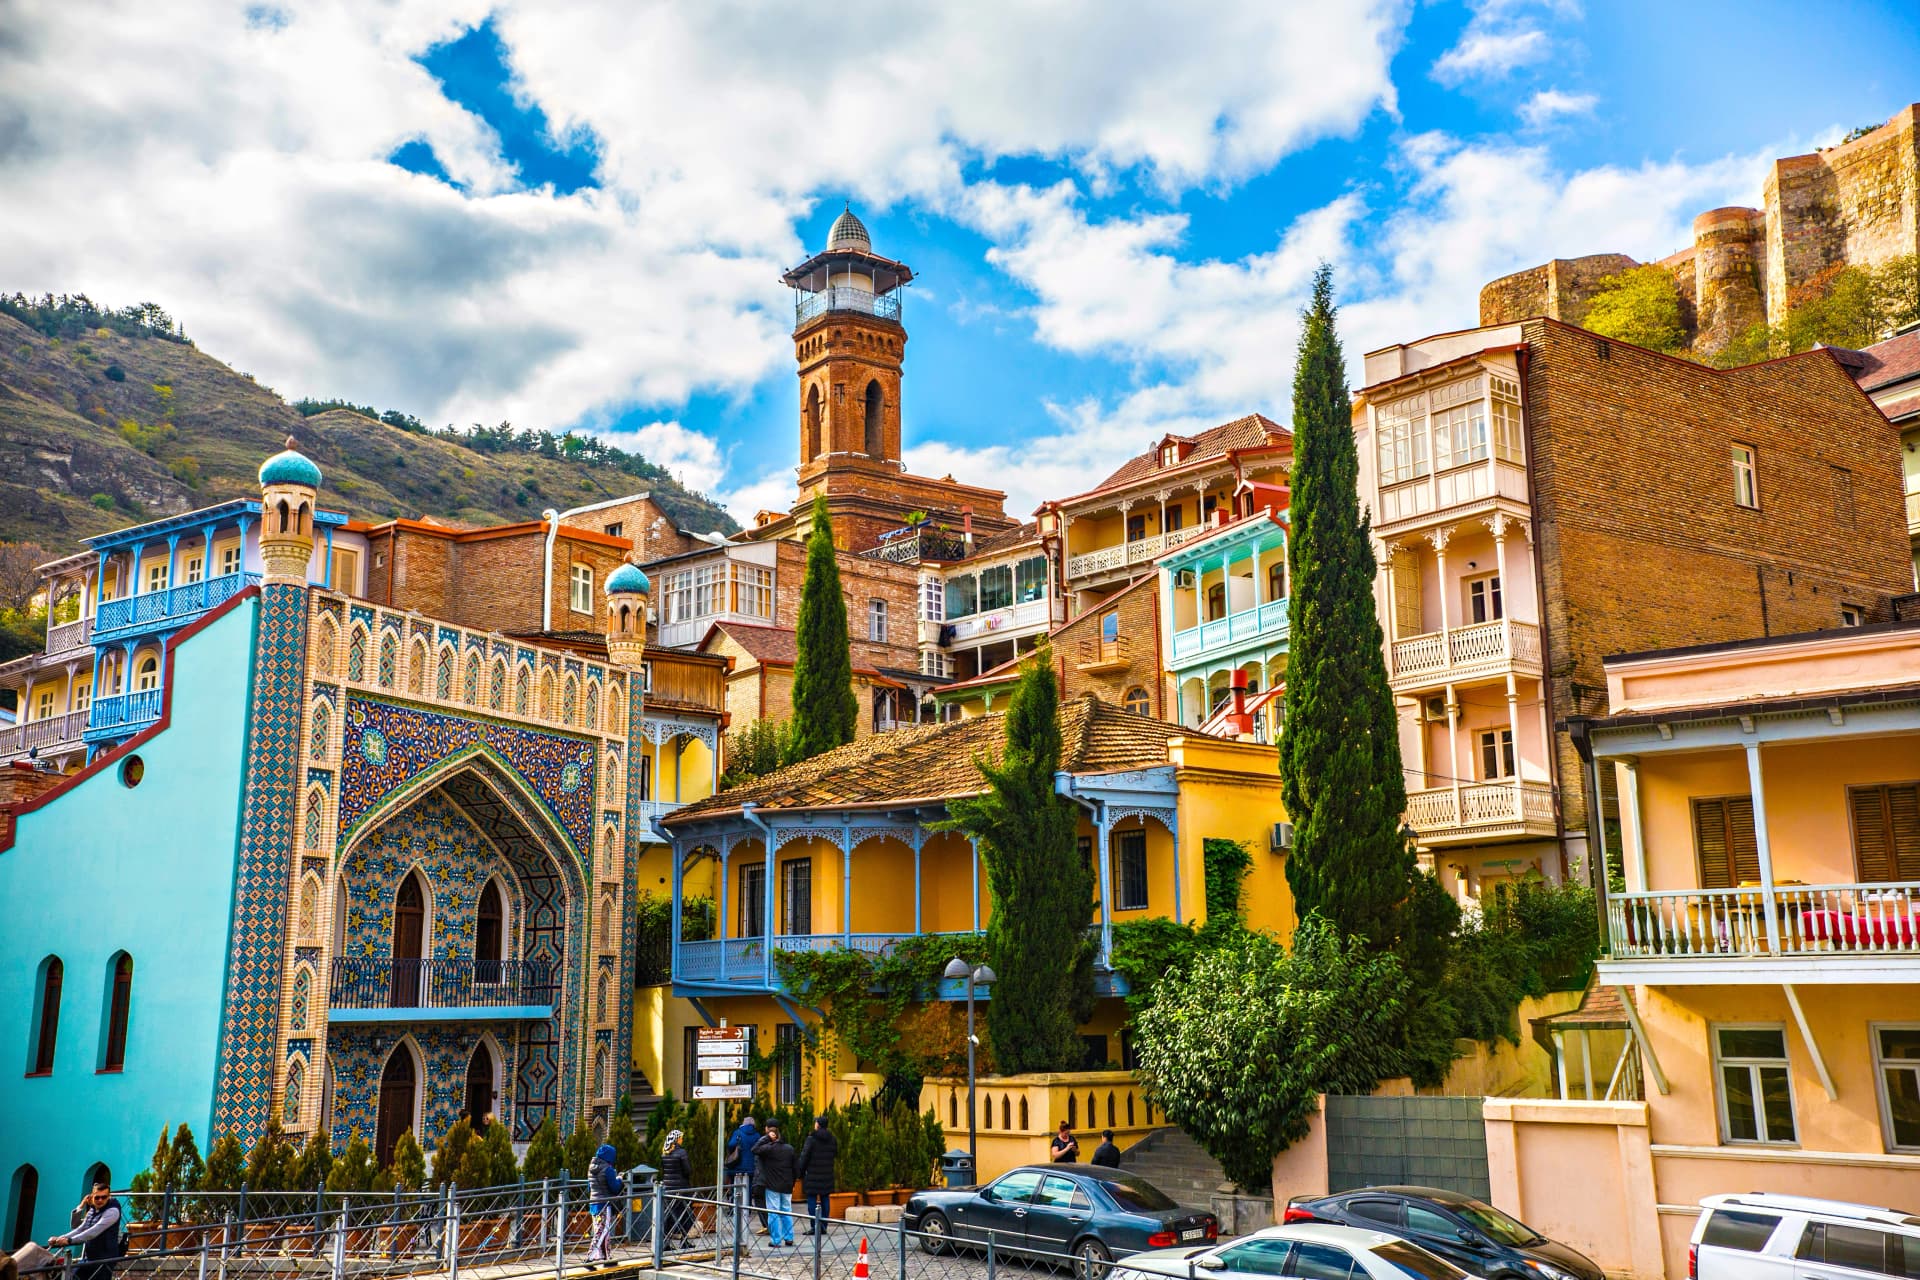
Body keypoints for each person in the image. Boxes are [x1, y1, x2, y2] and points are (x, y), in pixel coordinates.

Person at [49, 1178, 124, 1280]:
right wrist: (60, 1238)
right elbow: (81, 1228)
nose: (100, 1200)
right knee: (72, 1277)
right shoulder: (93, 1209)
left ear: (109, 1197)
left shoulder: (112, 1211)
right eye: (97, 1197)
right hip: (89, 1257)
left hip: (105, 1258)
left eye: (104, 1197)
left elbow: (93, 1231)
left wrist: (69, 1241)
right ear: (92, 1197)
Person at [751, 1124, 797, 1249]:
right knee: (786, 1210)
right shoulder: (789, 1149)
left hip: (772, 1185)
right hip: (787, 1184)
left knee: (773, 1212)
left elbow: (754, 1149)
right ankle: (789, 1238)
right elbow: (795, 1168)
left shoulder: (768, 1149)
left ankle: (776, 1240)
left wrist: (765, 1138)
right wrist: (793, 1183)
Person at [794, 1115, 837, 1234]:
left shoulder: (811, 1139)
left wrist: (800, 1172)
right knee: (825, 1199)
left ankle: (814, 1226)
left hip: (812, 1174)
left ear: (818, 1125)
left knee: (812, 1200)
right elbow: (835, 1154)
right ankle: (824, 1226)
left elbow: (804, 1157)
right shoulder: (832, 1139)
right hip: (827, 1174)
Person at [724, 1115, 766, 1233]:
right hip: (752, 1166)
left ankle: (734, 1207)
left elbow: (731, 1145)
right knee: (748, 1188)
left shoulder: (738, 1132)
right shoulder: (757, 1135)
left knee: (735, 1187)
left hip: (737, 1166)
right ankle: (747, 1207)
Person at [587, 1142, 626, 1263]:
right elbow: (614, 1187)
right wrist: (619, 1179)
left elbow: (589, 1187)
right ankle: (590, 1257)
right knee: (603, 1230)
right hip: (604, 1204)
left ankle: (606, 1257)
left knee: (601, 1230)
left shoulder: (591, 1168)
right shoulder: (608, 1169)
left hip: (594, 1203)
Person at [659, 1130, 694, 1245]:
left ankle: (666, 1243)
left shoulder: (664, 1153)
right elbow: (688, 1170)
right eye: (681, 1138)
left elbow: (664, 1171)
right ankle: (684, 1240)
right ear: (677, 1139)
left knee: (669, 1215)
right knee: (686, 1214)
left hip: (668, 1189)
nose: (682, 1139)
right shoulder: (682, 1152)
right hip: (682, 1189)